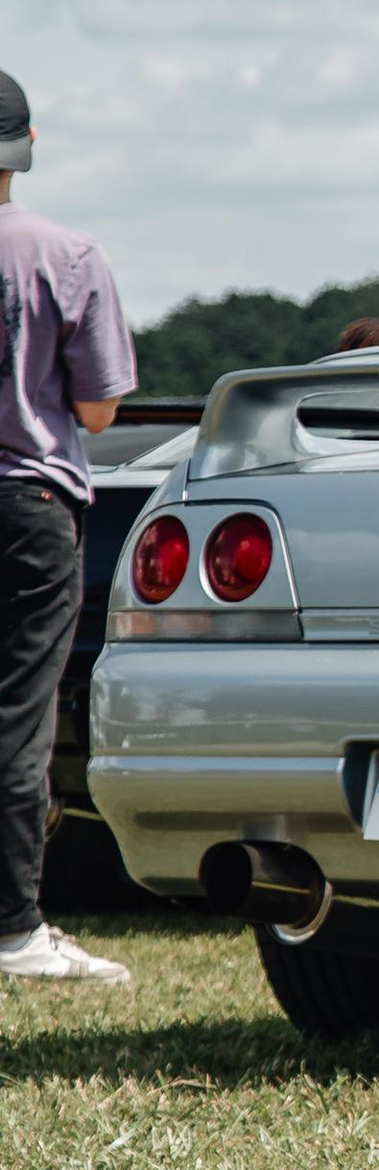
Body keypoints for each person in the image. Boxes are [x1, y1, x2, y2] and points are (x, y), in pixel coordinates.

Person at [0, 73, 135, 984]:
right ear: (27, 142)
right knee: (17, 715)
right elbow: (95, 411)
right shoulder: (66, 253)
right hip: (26, 505)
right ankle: (13, 929)